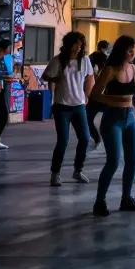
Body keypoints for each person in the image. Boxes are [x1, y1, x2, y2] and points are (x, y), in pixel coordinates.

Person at [90, 35, 135, 216]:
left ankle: (127, 198)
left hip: (130, 118)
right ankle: (99, 202)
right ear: (121, 51)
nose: (133, 52)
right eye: (129, 49)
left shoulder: (134, 68)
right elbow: (95, 94)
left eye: (134, 48)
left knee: (132, 160)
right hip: (113, 119)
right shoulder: (110, 70)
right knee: (114, 161)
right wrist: (115, 100)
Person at [42, 31, 95, 186]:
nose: (78, 49)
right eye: (75, 46)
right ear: (68, 45)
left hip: (79, 106)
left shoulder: (85, 61)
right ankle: (55, 173)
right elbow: (45, 76)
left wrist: (87, 95)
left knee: (85, 139)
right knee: (63, 141)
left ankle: (78, 170)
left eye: (80, 46)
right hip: (61, 107)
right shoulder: (57, 61)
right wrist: (55, 79)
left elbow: (90, 77)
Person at [85, 40, 111, 146]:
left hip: (95, 94)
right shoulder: (109, 60)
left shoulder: (91, 58)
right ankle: (109, 139)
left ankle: (97, 138)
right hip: (106, 95)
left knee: (88, 119)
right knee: (110, 120)